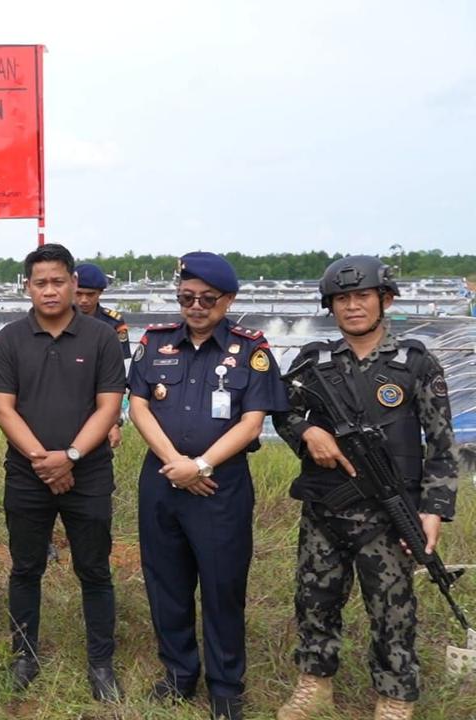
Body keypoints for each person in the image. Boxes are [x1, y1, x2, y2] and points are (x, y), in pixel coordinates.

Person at [273, 256, 459, 720]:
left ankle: (395, 695)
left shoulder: (415, 363)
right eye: (342, 299)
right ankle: (314, 686)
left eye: (362, 297)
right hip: (325, 509)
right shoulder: (313, 360)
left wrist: (433, 510)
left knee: (393, 608)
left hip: (388, 513)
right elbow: (281, 408)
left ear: (385, 300)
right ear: (331, 307)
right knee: (315, 599)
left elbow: (441, 443)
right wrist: (307, 434)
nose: (352, 306)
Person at [126, 251, 288, 720]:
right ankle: (178, 674)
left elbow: (253, 423)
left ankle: (224, 686)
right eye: (186, 298)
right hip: (162, 481)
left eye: (207, 299)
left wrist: (199, 466)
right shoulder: (155, 343)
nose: (196, 306)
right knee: (166, 583)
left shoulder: (251, 348)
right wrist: (176, 463)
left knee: (222, 587)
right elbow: (138, 407)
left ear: (228, 299)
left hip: (220, 489)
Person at [0, 244, 126, 699]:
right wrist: (45, 463)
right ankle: (24, 654)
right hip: (27, 474)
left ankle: (101, 663)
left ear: (72, 283)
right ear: (27, 287)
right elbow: (3, 409)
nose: (50, 290)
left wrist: (69, 457)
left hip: (87, 473)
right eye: (40, 282)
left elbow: (109, 406)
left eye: (58, 281)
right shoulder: (9, 338)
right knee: (26, 568)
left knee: (95, 570)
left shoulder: (101, 337)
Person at [75, 262, 130, 450]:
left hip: (100, 394)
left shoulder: (113, 322)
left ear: (100, 293)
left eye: (90, 295)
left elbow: (118, 376)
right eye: (78, 293)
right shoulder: (57, 318)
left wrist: (114, 421)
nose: (83, 300)